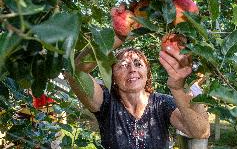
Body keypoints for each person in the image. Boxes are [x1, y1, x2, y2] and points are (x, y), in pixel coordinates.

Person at [64, 35, 210, 149]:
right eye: (123, 65)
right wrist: (118, 35)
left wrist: (177, 88)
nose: (132, 69)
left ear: (147, 73)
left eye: (138, 64)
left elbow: (200, 132)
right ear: (113, 76)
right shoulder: (106, 102)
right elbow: (75, 72)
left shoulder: (161, 104)